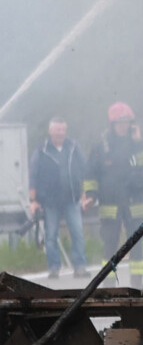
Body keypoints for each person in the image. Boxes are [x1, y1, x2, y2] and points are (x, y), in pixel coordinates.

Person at [27, 117, 94, 280]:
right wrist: (33, 201)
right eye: (57, 130)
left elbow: (85, 170)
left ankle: (80, 267)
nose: (60, 133)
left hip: (72, 199)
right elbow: (33, 175)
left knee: (77, 233)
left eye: (63, 130)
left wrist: (86, 193)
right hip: (50, 201)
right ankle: (54, 268)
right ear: (50, 131)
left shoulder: (73, 147)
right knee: (50, 236)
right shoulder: (41, 150)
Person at [95, 102, 143, 284]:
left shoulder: (136, 143)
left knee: (136, 243)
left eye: (127, 122)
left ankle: (137, 282)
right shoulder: (102, 146)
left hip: (135, 203)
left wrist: (139, 141)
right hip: (110, 203)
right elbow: (91, 173)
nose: (124, 126)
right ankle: (108, 283)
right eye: (120, 122)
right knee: (110, 244)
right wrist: (90, 194)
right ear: (112, 124)